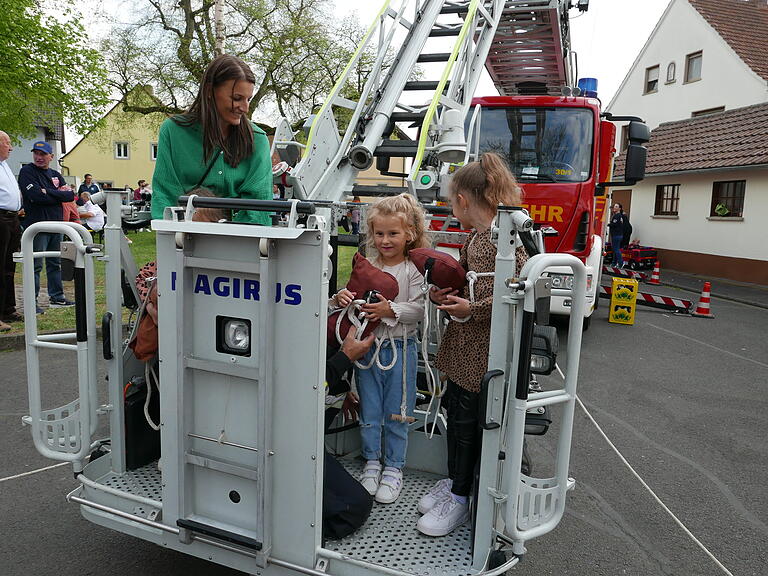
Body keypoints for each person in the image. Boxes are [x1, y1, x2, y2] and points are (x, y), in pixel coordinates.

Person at [417, 152, 528, 537]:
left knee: (467, 427)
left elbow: (510, 295)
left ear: (463, 200)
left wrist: (469, 308)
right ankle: (455, 483)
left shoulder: (502, 239)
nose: (452, 208)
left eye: (452, 201)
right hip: (468, 351)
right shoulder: (481, 237)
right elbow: (467, 279)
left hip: (482, 355)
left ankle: (461, 497)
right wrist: (443, 294)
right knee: (458, 419)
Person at [331, 193, 428, 505]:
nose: (385, 240)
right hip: (367, 351)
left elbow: (420, 310)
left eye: (393, 233)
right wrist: (341, 298)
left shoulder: (414, 270)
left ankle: (394, 467)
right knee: (369, 409)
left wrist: (391, 311)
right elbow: (350, 301)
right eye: (379, 233)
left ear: (409, 233)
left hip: (401, 349)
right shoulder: (368, 265)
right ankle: (372, 462)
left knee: (398, 412)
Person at [151, 54, 272, 224]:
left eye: (248, 99)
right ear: (209, 91)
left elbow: (259, 206)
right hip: (184, 235)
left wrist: (239, 243)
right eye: (237, 98)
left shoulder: (257, 140)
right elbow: (165, 196)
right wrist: (175, 240)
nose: (245, 108)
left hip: (240, 240)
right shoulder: (173, 132)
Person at [18, 141, 76, 311]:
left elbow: (69, 196)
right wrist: (56, 195)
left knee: (55, 263)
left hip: (56, 225)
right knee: (35, 265)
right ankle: (31, 302)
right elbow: (35, 196)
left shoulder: (55, 174)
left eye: (43, 154)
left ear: (51, 156)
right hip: (37, 226)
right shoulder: (27, 171)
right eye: (36, 153)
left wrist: (48, 191)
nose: (39, 157)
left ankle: (57, 297)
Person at [0, 130, 24, 330]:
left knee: (9, 267)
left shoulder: (5, 165)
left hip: (12, 218)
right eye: (7, 143)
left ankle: (8, 308)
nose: (11, 147)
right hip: (0, 219)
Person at [608, 203, 625, 267]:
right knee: (615, 249)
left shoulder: (617, 216)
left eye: (616, 206)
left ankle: (621, 263)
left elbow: (614, 224)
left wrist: (608, 224)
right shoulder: (618, 215)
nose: (614, 207)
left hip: (616, 235)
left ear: (619, 208)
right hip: (618, 235)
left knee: (616, 249)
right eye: (614, 206)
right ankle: (614, 263)